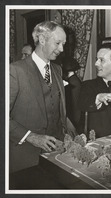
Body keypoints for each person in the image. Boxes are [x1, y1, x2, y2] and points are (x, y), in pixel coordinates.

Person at [9, 21, 70, 173]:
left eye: (63, 44)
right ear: (42, 39)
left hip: (55, 155)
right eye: (57, 43)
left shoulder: (57, 69)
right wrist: (31, 137)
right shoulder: (15, 70)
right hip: (25, 159)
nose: (61, 49)